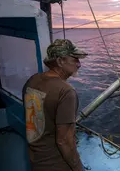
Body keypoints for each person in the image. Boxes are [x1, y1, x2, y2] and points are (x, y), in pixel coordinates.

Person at [22, 39, 88, 171]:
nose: (79, 64)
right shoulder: (66, 91)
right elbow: (63, 140)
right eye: (75, 59)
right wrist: (78, 167)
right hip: (56, 164)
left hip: (35, 159)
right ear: (60, 61)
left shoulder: (32, 80)